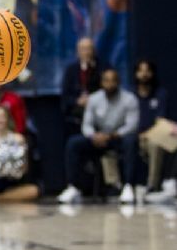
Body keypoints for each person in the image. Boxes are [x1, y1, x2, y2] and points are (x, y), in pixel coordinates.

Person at [59, 69, 140, 204]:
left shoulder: (129, 99)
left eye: (113, 80)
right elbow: (87, 125)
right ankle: (73, 187)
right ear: (102, 83)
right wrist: (94, 136)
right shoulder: (94, 99)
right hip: (98, 138)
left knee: (131, 141)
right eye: (106, 80)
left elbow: (132, 125)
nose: (110, 84)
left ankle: (128, 186)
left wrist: (113, 135)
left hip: (118, 137)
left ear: (118, 82)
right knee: (73, 143)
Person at [0, 106, 39, 203]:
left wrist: (11, 169)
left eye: (3, 116)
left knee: (33, 191)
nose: (0, 120)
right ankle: (6, 197)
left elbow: (25, 167)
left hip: (13, 181)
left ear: (8, 119)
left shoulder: (19, 138)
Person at [132, 60, 172, 196]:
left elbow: (160, 121)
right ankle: (118, 186)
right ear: (136, 74)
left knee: (157, 143)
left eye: (147, 71)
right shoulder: (130, 96)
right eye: (141, 71)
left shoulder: (160, 94)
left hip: (153, 136)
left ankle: (153, 186)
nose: (144, 74)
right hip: (132, 136)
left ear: (152, 73)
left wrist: (147, 134)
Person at [61, 37, 106, 137]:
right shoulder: (71, 70)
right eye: (83, 49)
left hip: (100, 114)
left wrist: (92, 100)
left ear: (94, 51)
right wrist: (78, 101)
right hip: (76, 116)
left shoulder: (103, 68)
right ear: (78, 52)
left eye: (89, 49)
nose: (86, 52)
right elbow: (65, 97)